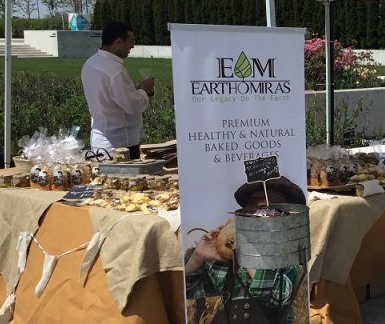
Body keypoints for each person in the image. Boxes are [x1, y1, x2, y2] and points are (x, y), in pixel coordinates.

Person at [184, 176, 307, 307]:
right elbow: (188, 294)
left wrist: (248, 254)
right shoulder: (225, 260)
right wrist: (197, 258)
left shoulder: (291, 257)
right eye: (255, 212)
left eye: (272, 214)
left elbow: (278, 297)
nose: (261, 220)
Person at [81, 21, 155, 159]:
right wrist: (145, 90)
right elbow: (132, 106)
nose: (132, 46)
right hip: (120, 145)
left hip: (101, 139)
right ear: (118, 41)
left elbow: (113, 98)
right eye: (131, 41)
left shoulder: (90, 63)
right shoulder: (115, 71)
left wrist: (137, 91)